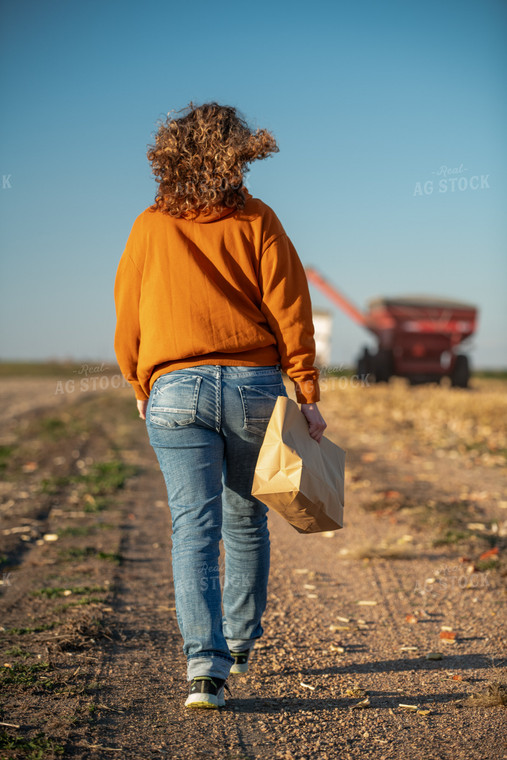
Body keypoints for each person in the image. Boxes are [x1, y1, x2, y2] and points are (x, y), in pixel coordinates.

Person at [114, 102, 327, 709]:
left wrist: (139, 385)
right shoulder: (258, 218)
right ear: (239, 155)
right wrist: (306, 392)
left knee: (193, 528)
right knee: (246, 518)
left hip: (174, 390)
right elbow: (291, 310)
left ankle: (203, 672)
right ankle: (237, 641)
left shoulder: (148, 225)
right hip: (255, 389)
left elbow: (127, 316)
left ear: (168, 155)